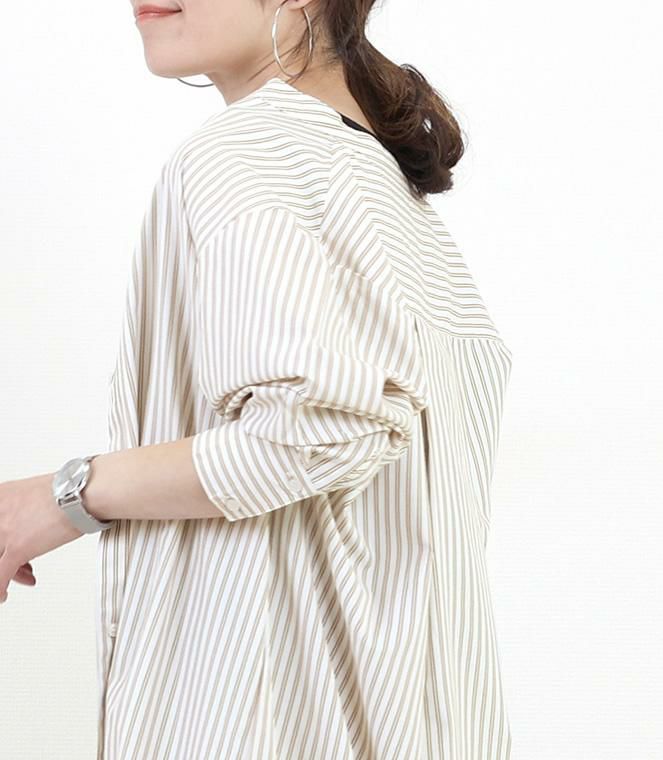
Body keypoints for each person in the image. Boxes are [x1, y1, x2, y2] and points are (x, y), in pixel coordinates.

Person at [0, 0, 514, 757]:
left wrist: (61, 499)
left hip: (270, 720)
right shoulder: (387, 191)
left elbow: (314, 431)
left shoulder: (247, 151)